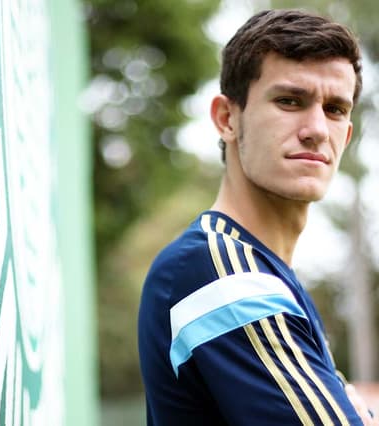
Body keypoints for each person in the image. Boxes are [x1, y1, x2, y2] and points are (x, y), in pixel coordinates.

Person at [137, 9, 378, 426]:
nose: (317, 129)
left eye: (336, 109)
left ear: (348, 134)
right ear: (227, 119)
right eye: (290, 101)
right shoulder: (221, 271)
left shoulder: (267, 275)